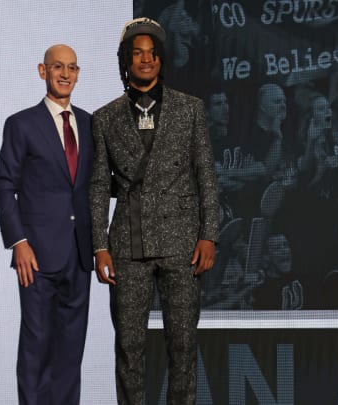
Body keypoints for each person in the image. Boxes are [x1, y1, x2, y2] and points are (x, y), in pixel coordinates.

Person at [89, 17, 219, 405]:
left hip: (182, 244)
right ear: (125, 61)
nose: (145, 60)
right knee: (129, 349)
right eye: (137, 53)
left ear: (161, 59)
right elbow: (98, 186)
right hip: (127, 245)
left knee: (183, 345)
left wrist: (209, 234)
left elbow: (206, 177)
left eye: (152, 53)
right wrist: (99, 246)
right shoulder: (104, 118)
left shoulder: (189, 110)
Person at [0, 44, 93, 405]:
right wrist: (18, 242)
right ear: (42, 71)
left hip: (79, 256)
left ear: (78, 73)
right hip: (35, 257)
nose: (65, 74)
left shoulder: (89, 123)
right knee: (36, 347)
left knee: (71, 352)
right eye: (57, 67)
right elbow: (4, 185)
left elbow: (93, 186)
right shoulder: (21, 124)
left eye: (71, 68)